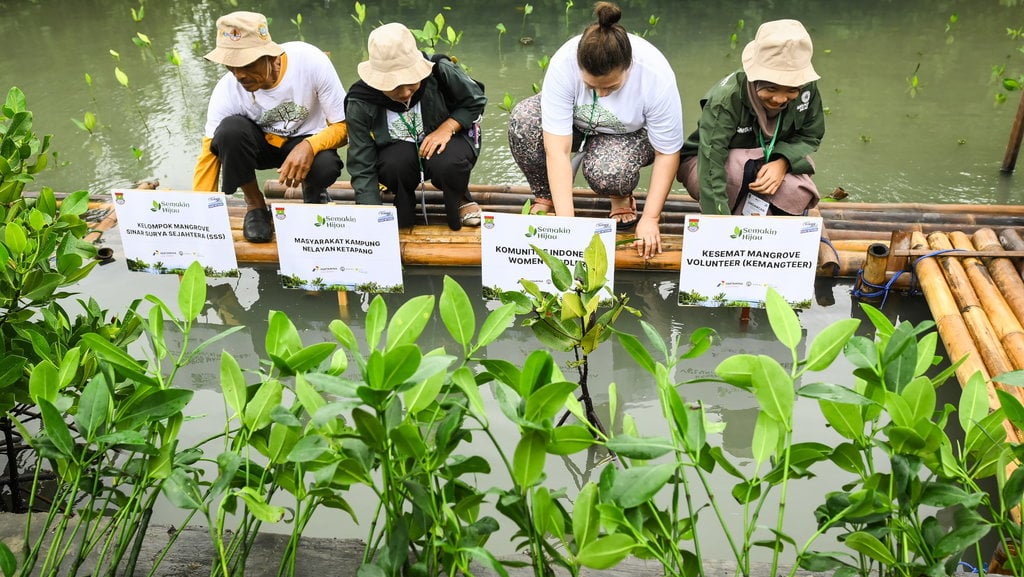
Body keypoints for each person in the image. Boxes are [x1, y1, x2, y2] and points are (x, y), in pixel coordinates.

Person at [507, 1, 682, 259]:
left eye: (611, 87)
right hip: (578, 123)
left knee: (609, 172)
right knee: (524, 121)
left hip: (627, 133)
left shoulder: (655, 76)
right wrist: (568, 226)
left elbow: (667, 152)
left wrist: (651, 218)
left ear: (628, 67)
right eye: (592, 86)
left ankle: (620, 196)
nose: (601, 93)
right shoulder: (563, 63)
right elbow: (557, 149)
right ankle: (546, 196)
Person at [193, 11, 348, 243]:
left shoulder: (311, 62)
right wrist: (196, 219)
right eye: (230, 65)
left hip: (305, 142)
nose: (239, 74)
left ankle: (314, 194)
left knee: (325, 165)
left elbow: (344, 126)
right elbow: (208, 157)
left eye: (246, 63)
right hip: (260, 146)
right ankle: (255, 205)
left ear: (271, 56)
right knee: (228, 132)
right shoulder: (227, 90)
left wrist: (310, 145)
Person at [345, 22, 485, 230]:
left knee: (448, 162)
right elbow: (361, 163)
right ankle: (402, 201)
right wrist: (371, 215)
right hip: (400, 154)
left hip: (448, 143)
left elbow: (475, 102)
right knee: (394, 164)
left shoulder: (441, 71)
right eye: (393, 86)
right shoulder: (360, 101)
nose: (404, 93)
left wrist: (447, 128)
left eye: (411, 83)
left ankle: (460, 198)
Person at [677, 19, 824, 216]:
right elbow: (712, 162)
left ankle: (761, 211)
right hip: (712, 163)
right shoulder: (726, 100)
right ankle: (733, 210)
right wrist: (719, 222)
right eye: (771, 88)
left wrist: (783, 162)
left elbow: (810, 135)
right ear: (755, 76)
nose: (780, 99)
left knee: (797, 190)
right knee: (737, 169)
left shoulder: (808, 89)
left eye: (791, 90)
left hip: (771, 158)